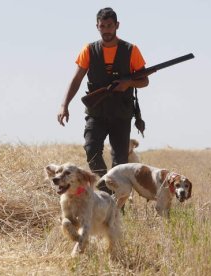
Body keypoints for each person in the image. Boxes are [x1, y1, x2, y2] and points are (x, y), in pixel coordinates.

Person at [57, 7, 149, 194]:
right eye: (102, 26)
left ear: (117, 25)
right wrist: (64, 105)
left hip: (121, 113)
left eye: (109, 26)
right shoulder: (89, 50)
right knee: (91, 149)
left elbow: (145, 81)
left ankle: (116, 204)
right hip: (96, 112)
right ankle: (106, 190)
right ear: (97, 27)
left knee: (120, 160)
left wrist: (128, 83)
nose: (106, 30)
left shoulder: (131, 50)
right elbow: (76, 79)